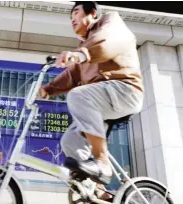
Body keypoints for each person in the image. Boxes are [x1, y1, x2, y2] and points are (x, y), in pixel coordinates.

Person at [40, 1, 143, 192]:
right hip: (102, 99)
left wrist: (82, 54)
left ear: (92, 13)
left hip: (125, 90)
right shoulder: (84, 46)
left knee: (78, 95)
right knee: (69, 141)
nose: (72, 20)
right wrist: (48, 88)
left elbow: (106, 42)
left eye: (76, 13)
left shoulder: (111, 23)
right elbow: (72, 74)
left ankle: (102, 163)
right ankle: (98, 193)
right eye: (70, 17)